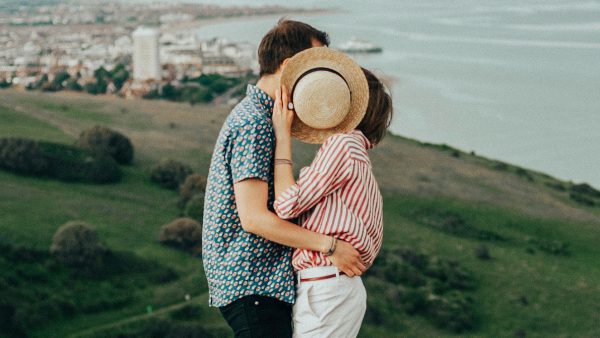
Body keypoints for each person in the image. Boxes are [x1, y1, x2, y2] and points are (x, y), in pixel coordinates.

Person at [202, 20, 366, 338]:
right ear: (290, 67)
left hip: (257, 283)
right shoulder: (255, 124)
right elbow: (254, 219)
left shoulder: (263, 119)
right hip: (251, 282)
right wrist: (331, 247)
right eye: (315, 68)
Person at [272, 47, 393, 337]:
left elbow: (287, 205)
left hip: (327, 288)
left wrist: (281, 136)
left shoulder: (344, 145)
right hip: (333, 288)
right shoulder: (357, 154)